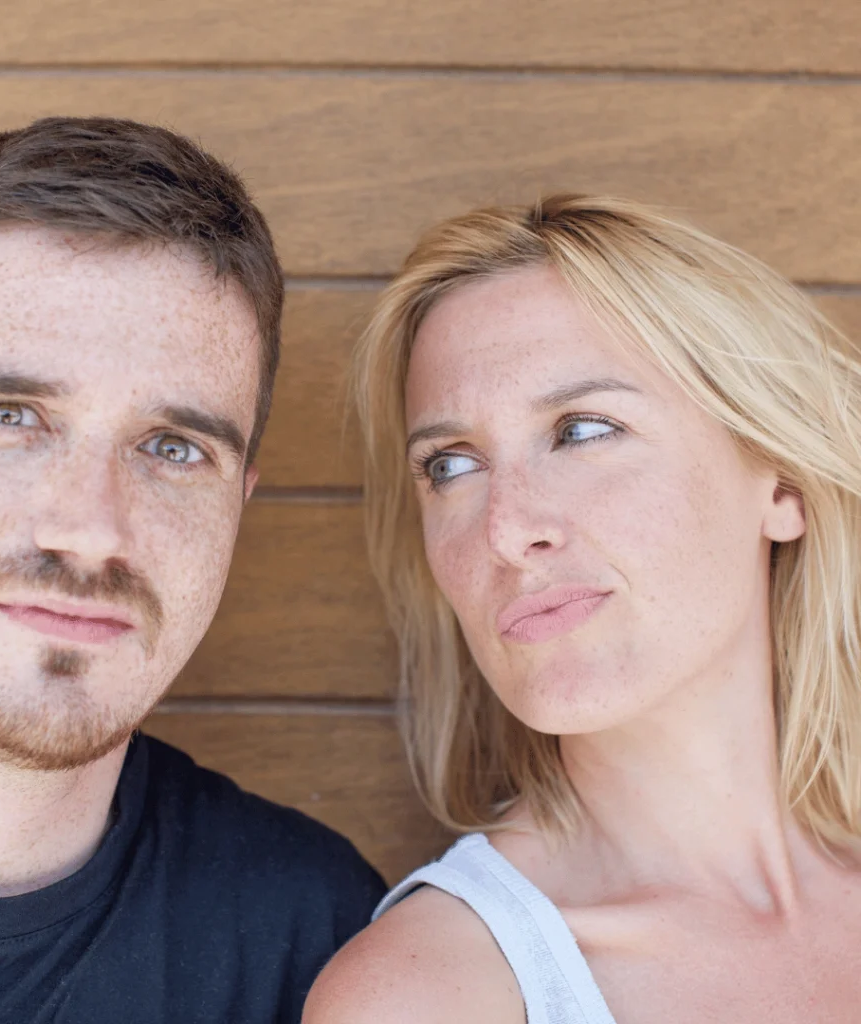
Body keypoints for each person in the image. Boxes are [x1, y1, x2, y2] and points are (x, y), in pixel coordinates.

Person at [0, 115, 386, 1023]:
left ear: (238, 505)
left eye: (173, 448)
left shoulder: (310, 941)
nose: (90, 529)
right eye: (9, 415)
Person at [305, 194, 861, 1023]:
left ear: (779, 483)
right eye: (451, 466)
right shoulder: (432, 996)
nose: (506, 531)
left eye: (583, 429)